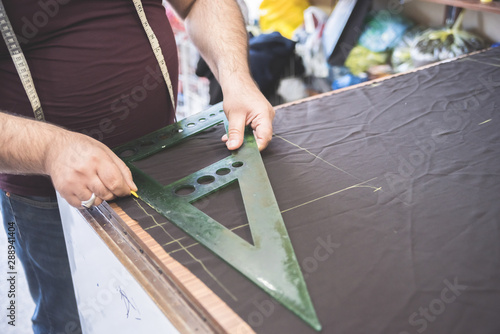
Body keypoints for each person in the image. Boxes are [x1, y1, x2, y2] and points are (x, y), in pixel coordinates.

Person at [0, 0, 274, 333]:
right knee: (69, 318)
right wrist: (50, 149)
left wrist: (236, 79)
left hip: (165, 165)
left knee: (174, 307)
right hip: (48, 198)